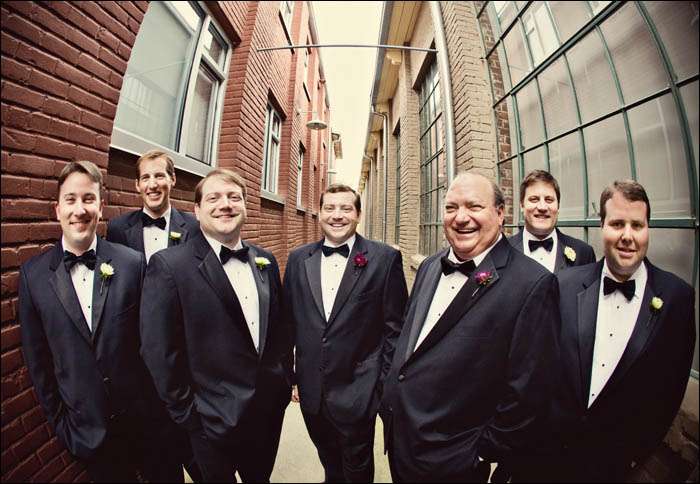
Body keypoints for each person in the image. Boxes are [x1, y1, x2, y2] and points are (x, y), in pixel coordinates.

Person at [380, 172, 560, 482]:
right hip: (400, 441)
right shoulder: (430, 266)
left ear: (500, 214)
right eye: (451, 207)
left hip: (454, 462)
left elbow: (529, 392)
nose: (461, 217)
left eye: (474, 206)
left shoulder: (533, 284)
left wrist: (479, 452)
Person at [139, 168, 292, 483]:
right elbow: (158, 351)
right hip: (210, 423)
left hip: (266, 415)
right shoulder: (169, 266)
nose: (225, 205)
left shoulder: (265, 261)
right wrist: (189, 417)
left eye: (234, 197)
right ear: (197, 210)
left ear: (245, 207)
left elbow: (279, 332)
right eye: (214, 198)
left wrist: (282, 384)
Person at [542, 180, 696, 482]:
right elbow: (542, 365)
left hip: (618, 467)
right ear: (602, 225)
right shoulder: (564, 285)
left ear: (648, 228)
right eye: (617, 224)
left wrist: (638, 457)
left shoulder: (677, 298)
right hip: (550, 458)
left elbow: (671, 390)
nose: (627, 235)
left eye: (637, 225)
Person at [19, 161, 162, 482]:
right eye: (70, 200)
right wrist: (63, 427)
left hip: (148, 425)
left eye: (88, 199)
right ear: (57, 209)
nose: (79, 209)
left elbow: (153, 344)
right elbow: (39, 364)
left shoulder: (132, 264)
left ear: (101, 206)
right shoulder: (33, 276)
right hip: (89, 435)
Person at [283, 184, 408, 482]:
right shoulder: (298, 259)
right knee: (329, 460)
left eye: (346, 208)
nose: (337, 215)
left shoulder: (384, 259)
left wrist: (380, 387)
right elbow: (288, 324)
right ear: (319, 213)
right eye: (329, 208)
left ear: (358, 214)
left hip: (359, 391)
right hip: (312, 392)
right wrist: (293, 377)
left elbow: (395, 330)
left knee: (357, 467)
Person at [106, 150, 199, 263]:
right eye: (145, 178)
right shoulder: (117, 228)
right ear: (137, 185)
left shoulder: (194, 227)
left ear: (173, 179)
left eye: (159, 176)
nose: (152, 185)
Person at [509, 170, 595, 273]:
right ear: (522, 206)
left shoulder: (584, 253)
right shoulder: (503, 250)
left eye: (549, 200)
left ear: (558, 206)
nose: (542, 207)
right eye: (534, 199)